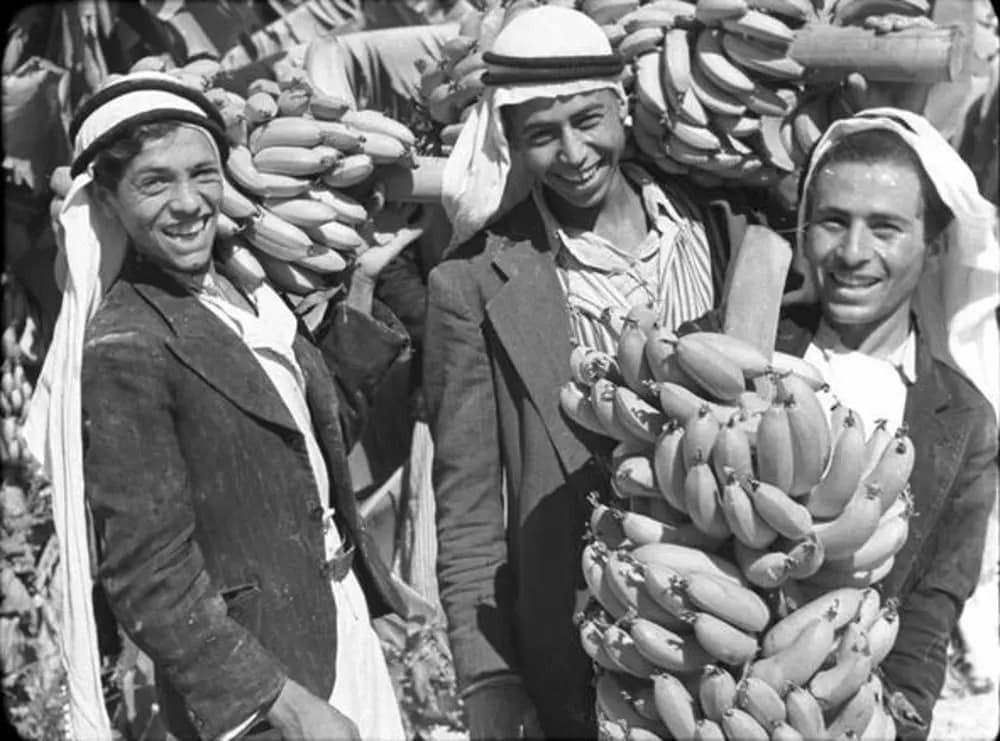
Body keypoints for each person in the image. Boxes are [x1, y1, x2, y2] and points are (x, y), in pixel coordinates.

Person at [23, 71, 421, 740]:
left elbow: (292, 456)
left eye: (202, 173)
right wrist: (285, 703)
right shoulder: (130, 344)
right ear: (111, 204)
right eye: (154, 182)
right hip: (265, 679)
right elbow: (148, 573)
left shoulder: (247, 291)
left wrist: (361, 291)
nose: (188, 203)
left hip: (332, 622)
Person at [422, 6, 759, 737]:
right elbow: (469, 502)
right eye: (541, 134)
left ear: (623, 108)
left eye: (587, 120)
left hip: (743, 613)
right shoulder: (475, 284)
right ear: (509, 141)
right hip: (589, 630)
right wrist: (487, 676)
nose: (573, 152)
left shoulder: (722, 226)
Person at [776, 108, 998, 738]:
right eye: (833, 222)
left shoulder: (963, 421)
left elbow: (933, 602)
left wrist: (898, 719)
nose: (851, 253)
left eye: (885, 229)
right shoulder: (739, 350)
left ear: (933, 247)